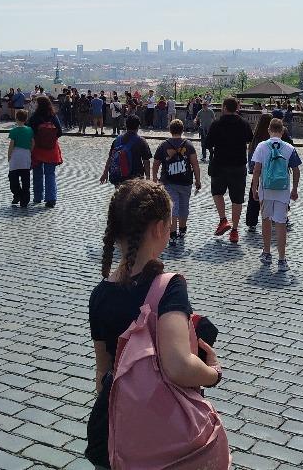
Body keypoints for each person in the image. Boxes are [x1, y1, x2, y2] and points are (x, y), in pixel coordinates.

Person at [87, 180, 223, 470]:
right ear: (160, 228)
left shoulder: (99, 294)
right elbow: (178, 365)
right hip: (160, 436)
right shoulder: (169, 287)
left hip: (110, 436)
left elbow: (102, 372)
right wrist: (213, 374)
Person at [250, 118, 302, 270]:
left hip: (266, 189)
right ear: (283, 131)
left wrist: (254, 188)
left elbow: (256, 170)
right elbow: (296, 170)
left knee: (266, 220)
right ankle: (282, 259)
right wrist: (295, 189)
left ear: (269, 130)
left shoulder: (261, 146)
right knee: (281, 223)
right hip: (282, 190)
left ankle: (267, 253)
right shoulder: (289, 148)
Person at [205, 97, 254, 244]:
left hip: (220, 163)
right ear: (236, 108)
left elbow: (208, 143)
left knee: (217, 192)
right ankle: (234, 231)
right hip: (238, 165)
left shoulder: (216, 124)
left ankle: (223, 219)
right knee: (237, 199)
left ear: (225, 107)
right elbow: (250, 139)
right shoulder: (243, 123)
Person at [152, 119, 201, 246]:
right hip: (185, 181)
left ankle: (172, 234)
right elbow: (195, 164)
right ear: (182, 130)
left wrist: (154, 179)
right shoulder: (188, 145)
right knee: (184, 206)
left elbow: (155, 164)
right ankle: (182, 230)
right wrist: (198, 180)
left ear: (170, 130)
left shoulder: (163, 145)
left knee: (172, 207)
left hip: (168, 181)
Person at [29, 95, 63, 208]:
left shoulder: (34, 117)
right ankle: (51, 199)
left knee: (37, 173)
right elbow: (60, 132)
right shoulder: (53, 116)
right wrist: (50, 137)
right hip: (51, 149)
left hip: (37, 148)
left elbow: (30, 132)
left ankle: (38, 197)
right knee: (50, 174)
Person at [100, 115, 152, 185]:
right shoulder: (141, 141)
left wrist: (105, 173)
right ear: (138, 126)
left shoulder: (117, 140)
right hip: (135, 179)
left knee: (119, 192)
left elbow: (110, 158)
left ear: (125, 125)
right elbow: (146, 161)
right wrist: (148, 179)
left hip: (118, 177)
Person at [7, 109, 34, 207]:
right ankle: (25, 200)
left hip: (15, 157)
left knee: (13, 178)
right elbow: (33, 143)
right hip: (26, 156)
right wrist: (30, 151)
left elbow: (11, 145)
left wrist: (9, 155)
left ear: (16, 118)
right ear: (26, 119)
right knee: (25, 179)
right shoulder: (30, 130)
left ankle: (17, 194)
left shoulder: (13, 131)